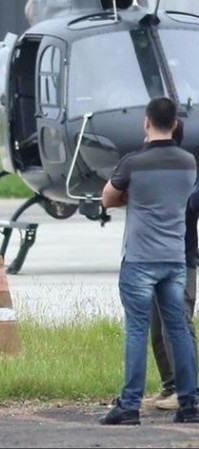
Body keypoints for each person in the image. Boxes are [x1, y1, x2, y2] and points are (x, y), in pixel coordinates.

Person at [100, 96, 199, 425]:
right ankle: (189, 402)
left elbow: (108, 198)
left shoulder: (133, 163)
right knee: (178, 330)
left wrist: (132, 196)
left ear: (146, 122)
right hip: (175, 258)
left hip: (140, 258)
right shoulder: (188, 163)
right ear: (175, 124)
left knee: (137, 332)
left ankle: (129, 405)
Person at [144, 119, 198, 411]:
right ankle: (171, 387)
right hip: (152, 258)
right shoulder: (149, 167)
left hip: (180, 260)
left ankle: (191, 390)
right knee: (157, 328)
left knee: (176, 324)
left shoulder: (187, 169)